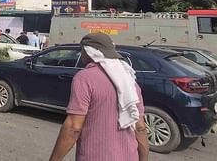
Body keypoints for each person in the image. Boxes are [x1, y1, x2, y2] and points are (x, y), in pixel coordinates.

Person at [49, 33, 149, 161]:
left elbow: (74, 127)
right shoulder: (129, 81)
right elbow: (140, 127)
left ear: (88, 51)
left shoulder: (84, 78)